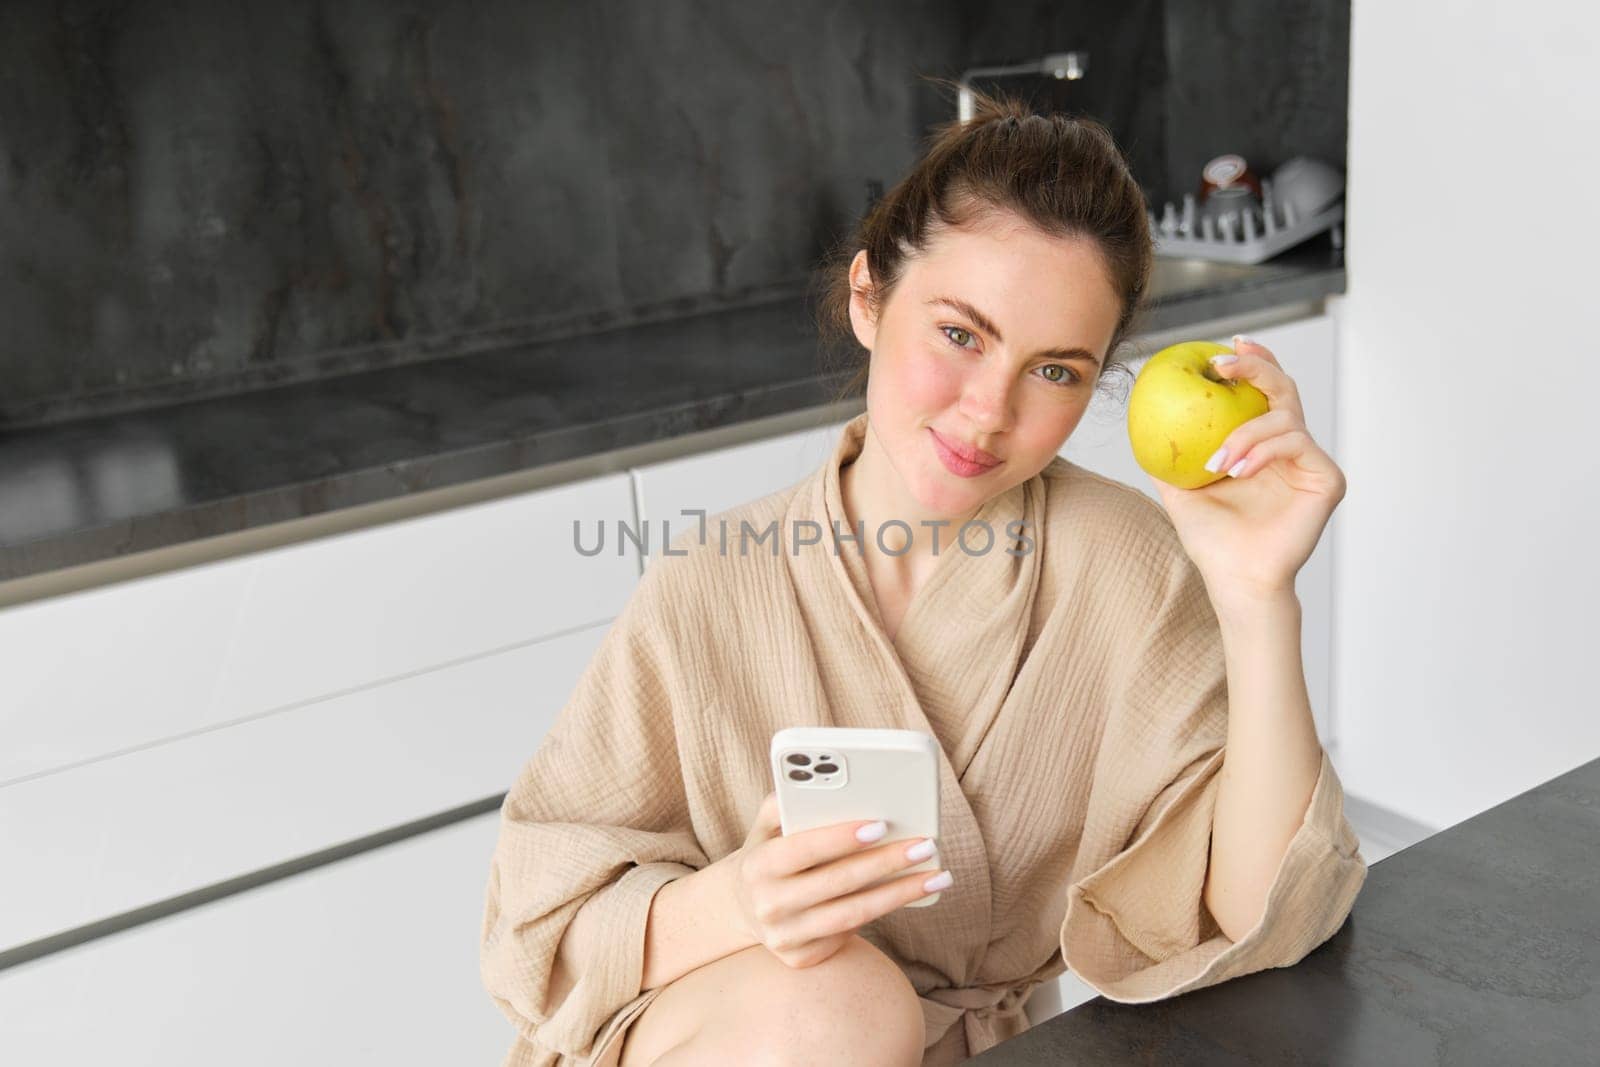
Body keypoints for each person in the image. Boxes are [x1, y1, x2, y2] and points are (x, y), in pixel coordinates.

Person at [480, 87, 1366, 1067]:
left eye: (1055, 370)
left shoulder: (1127, 562)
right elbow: (537, 924)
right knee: (839, 1000)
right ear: (867, 297)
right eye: (959, 334)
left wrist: (1256, 594)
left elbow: (1255, 915)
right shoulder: (712, 581)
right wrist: (741, 899)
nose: (988, 411)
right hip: (721, 1038)